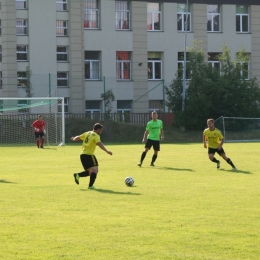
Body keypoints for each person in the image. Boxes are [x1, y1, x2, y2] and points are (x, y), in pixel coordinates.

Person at [71, 123, 112, 189]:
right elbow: (99, 144)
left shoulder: (88, 133)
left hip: (82, 155)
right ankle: (90, 186)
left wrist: (73, 139)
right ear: (98, 129)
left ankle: (77, 175)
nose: (100, 132)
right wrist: (107, 151)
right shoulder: (96, 135)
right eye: (100, 130)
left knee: (90, 172)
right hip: (89, 155)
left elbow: (78, 137)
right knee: (95, 170)